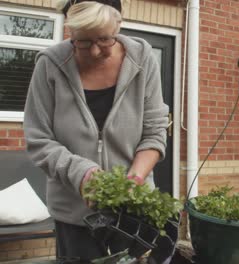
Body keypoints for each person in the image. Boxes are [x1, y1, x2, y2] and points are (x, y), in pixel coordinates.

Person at [23, 0, 169, 260]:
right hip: (73, 213)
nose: (93, 51)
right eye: (82, 41)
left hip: (133, 211)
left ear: (118, 26)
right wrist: (83, 174)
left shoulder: (142, 59)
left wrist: (134, 180)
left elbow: (154, 131)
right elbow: (39, 139)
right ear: (70, 33)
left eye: (104, 39)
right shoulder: (50, 65)